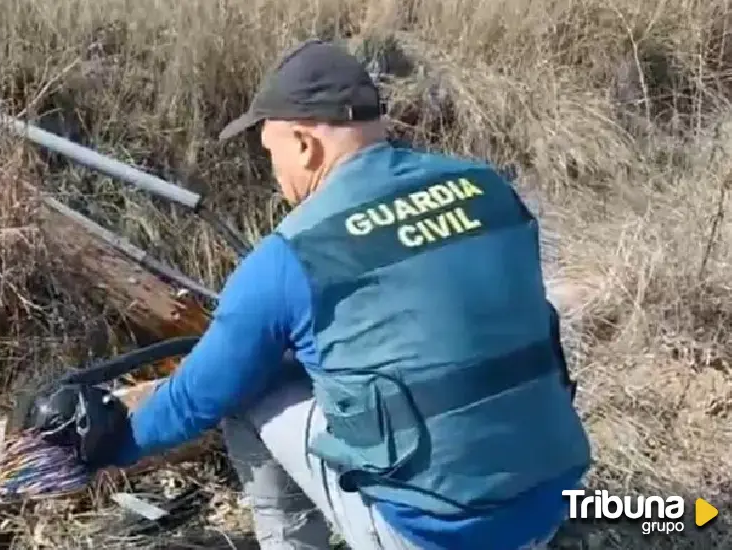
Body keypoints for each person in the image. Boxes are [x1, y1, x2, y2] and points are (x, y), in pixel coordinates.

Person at [104, 39, 592, 550]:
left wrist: (108, 447)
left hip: (432, 536)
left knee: (251, 389)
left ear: (303, 144)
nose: (275, 173)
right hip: (550, 501)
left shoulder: (291, 254)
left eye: (271, 152)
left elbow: (196, 398)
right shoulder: (491, 189)